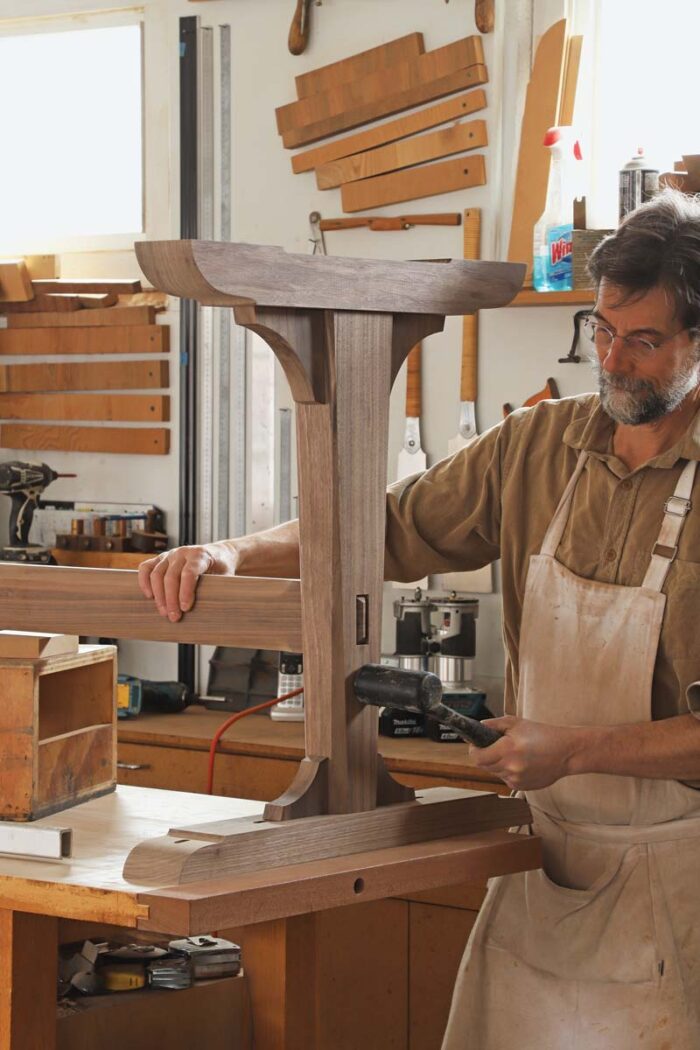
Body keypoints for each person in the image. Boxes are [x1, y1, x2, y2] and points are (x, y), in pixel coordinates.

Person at [139, 189, 700, 1049]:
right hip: (544, 863)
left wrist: (578, 748)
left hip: (679, 881)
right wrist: (234, 554)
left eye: (645, 341)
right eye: (601, 331)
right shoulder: (539, 445)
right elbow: (385, 528)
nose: (615, 361)